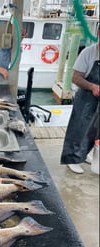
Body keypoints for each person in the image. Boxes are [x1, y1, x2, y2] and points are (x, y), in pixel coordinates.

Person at [60, 25, 100, 174]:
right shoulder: (88, 53)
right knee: (78, 129)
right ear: (99, 34)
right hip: (86, 98)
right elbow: (75, 78)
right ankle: (71, 159)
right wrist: (92, 87)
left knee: (92, 131)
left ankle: (82, 155)